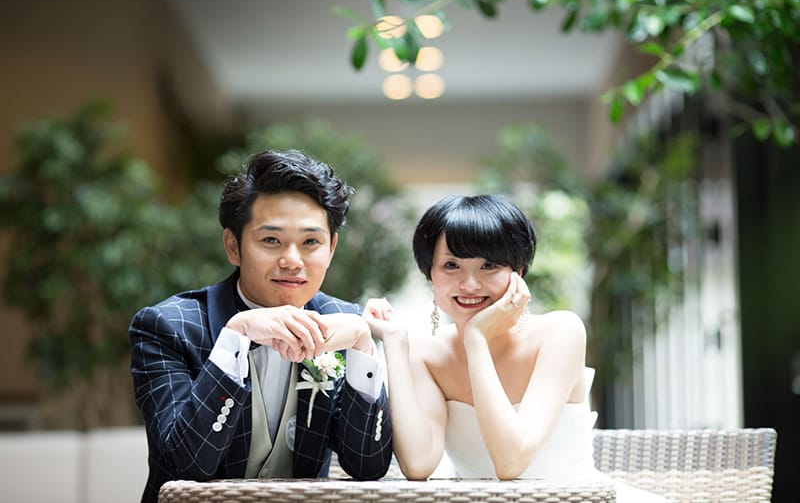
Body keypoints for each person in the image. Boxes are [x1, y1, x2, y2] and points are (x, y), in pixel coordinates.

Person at [363, 194, 666, 502]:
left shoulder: (560, 332)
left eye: (489, 265)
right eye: (451, 265)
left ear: (518, 272)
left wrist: (476, 340)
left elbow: (511, 462)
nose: (470, 283)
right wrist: (394, 342)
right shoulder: (427, 353)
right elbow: (417, 464)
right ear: (431, 274)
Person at [129, 149, 392, 503]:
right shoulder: (168, 326)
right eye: (271, 240)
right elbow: (183, 465)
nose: (292, 261)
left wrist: (362, 344)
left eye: (311, 242)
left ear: (331, 248)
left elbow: (368, 465)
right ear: (233, 246)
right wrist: (236, 335)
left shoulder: (344, 323)